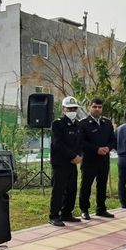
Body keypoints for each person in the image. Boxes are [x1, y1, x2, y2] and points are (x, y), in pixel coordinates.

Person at [78, 98, 116, 220]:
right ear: (90, 107)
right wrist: (96, 149)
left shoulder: (107, 123)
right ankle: (84, 209)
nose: (97, 109)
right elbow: (81, 142)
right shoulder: (83, 123)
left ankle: (101, 209)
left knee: (102, 185)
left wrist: (108, 148)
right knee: (86, 185)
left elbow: (113, 140)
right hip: (89, 160)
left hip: (104, 159)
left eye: (99, 107)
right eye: (95, 107)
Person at [49, 96, 83, 227]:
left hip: (73, 163)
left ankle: (66, 213)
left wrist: (80, 155)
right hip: (60, 163)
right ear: (63, 109)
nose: (72, 111)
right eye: (69, 108)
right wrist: (73, 156)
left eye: (74, 108)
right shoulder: (57, 124)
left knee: (71, 189)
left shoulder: (78, 124)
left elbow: (80, 143)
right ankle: (53, 215)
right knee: (58, 190)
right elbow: (58, 144)